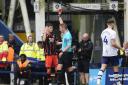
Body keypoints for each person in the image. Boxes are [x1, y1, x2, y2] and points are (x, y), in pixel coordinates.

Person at [97, 19, 122, 85]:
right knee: (115, 68)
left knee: (103, 67)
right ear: (112, 24)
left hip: (105, 53)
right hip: (112, 53)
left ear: (107, 24)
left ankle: (98, 81)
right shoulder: (113, 32)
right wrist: (120, 48)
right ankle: (118, 83)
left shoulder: (103, 32)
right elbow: (113, 44)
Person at [57, 15, 74, 85]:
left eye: (60, 28)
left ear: (63, 28)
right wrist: (59, 16)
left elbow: (69, 45)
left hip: (67, 54)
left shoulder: (68, 35)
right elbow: (62, 23)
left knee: (68, 69)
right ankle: (61, 82)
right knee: (59, 68)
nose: (59, 29)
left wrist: (62, 51)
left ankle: (70, 82)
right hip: (64, 53)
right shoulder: (65, 33)